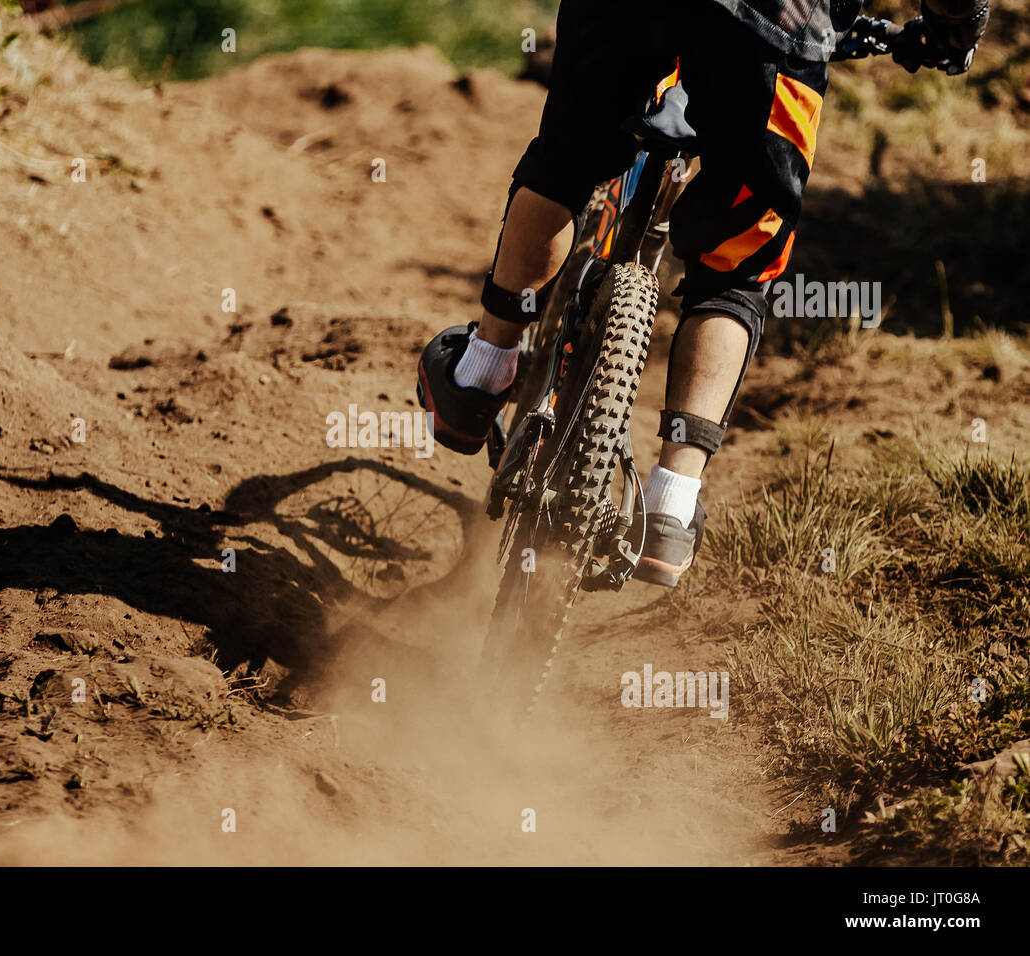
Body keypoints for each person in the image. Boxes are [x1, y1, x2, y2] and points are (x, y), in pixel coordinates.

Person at [417, 0, 990, 586]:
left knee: (565, 162)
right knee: (737, 267)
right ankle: (672, 504)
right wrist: (951, 29)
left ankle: (480, 376)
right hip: (780, 26)